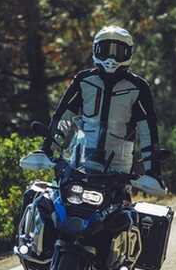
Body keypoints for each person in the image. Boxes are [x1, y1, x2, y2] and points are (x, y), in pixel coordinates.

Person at [42, 25, 165, 190]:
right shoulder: (83, 80)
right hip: (79, 161)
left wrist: (153, 172)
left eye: (118, 52)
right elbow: (64, 117)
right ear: (95, 50)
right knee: (51, 199)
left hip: (119, 169)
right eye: (106, 50)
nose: (111, 58)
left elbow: (147, 130)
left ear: (128, 53)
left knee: (121, 206)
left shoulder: (138, 87)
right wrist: (48, 150)